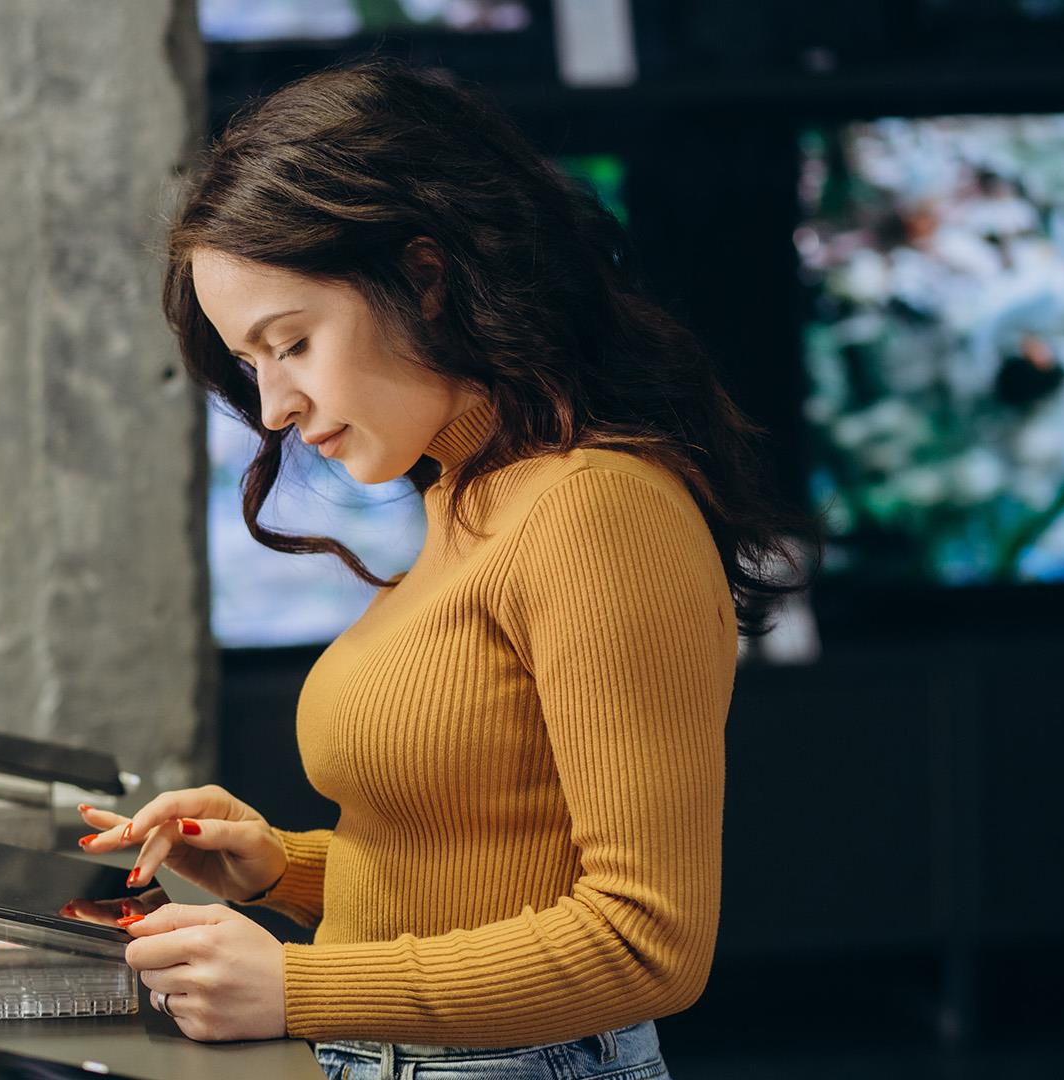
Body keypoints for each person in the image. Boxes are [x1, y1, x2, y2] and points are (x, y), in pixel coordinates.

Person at [73, 60, 810, 1079]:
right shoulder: (471, 494)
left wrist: (296, 988)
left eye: (290, 343)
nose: (275, 406)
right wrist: (276, 867)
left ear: (426, 274)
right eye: (252, 367)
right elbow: (483, 881)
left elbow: (647, 943)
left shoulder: (596, 509)